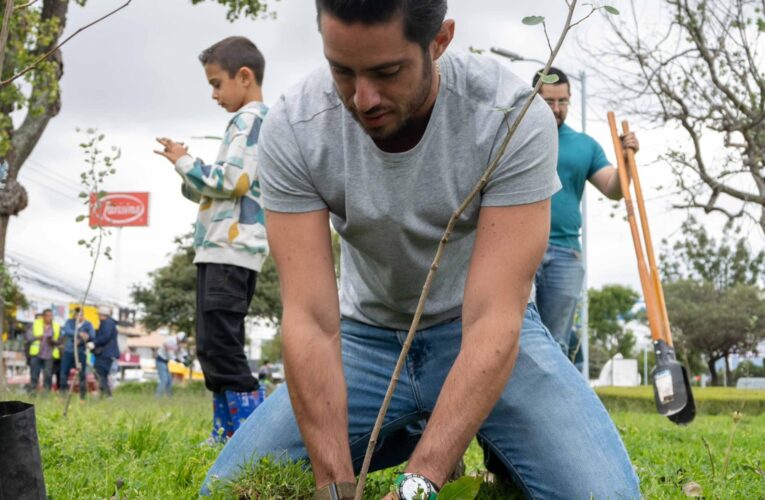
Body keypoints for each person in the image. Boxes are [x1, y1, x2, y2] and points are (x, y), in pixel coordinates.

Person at [201, 2, 640, 499]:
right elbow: (310, 321)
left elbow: (496, 317)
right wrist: (335, 488)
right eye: (342, 70)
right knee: (225, 489)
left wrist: (419, 483)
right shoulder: (295, 127)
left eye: (387, 72)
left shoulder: (511, 117)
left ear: (440, 40)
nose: (363, 99)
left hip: (478, 330)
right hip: (362, 339)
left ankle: (455, 434)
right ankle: (410, 425)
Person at [154, 36, 268, 442]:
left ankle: (253, 434)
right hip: (218, 249)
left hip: (231, 251)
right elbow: (215, 187)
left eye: (217, 84)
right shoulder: (242, 124)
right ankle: (226, 433)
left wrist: (187, 161)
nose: (214, 95)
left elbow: (234, 181)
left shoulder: (252, 121)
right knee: (210, 345)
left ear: (244, 76)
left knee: (223, 345)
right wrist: (184, 167)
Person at [533, 67, 640, 355]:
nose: (557, 109)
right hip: (521, 247)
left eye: (563, 101)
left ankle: (551, 402)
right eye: (549, 101)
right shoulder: (515, 136)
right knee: (517, 336)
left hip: (566, 253)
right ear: (532, 98)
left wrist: (626, 162)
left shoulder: (584, 145)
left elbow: (613, 188)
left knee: (555, 343)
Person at [59, 308, 95, 400]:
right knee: (63, 374)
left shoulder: (88, 324)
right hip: (68, 352)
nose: (79, 317)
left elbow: (91, 335)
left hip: (81, 353)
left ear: (83, 315)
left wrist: (82, 339)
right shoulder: (69, 322)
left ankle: (82, 397)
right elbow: (67, 331)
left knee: (82, 374)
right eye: (77, 315)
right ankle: (63, 395)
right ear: (74, 315)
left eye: (81, 315)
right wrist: (80, 333)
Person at [26, 308, 61, 394]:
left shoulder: (56, 326)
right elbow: (28, 337)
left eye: (51, 316)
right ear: (43, 317)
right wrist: (37, 337)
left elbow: (60, 341)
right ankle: (32, 394)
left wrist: (52, 341)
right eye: (47, 316)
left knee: (48, 376)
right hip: (36, 355)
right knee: (34, 375)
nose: (50, 317)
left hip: (49, 355)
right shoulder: (35, 324)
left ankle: (46, 395)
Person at [92, 305, 119, 398]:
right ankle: (104, 395)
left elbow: (104, 337)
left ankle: (107, 395)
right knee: (102, 374)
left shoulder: (107, 323)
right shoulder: (110, 323)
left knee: (100, 374)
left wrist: (94, 343)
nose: (98, 316)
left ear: (102, 315)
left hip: (105, 353)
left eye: (99, 314)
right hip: (108, 353)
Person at [155, 332, 187, 397]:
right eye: (182, 341)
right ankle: (157, 397)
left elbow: (182, 353)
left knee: (169, 380)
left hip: (166, 362)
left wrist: (186, 358)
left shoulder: (178, 344)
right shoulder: (169, 341)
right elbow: (171, 356)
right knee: (164, 380)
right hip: (160, 360)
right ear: (178, 338)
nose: (182, 342)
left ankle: (170, 398)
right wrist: (181, 361)